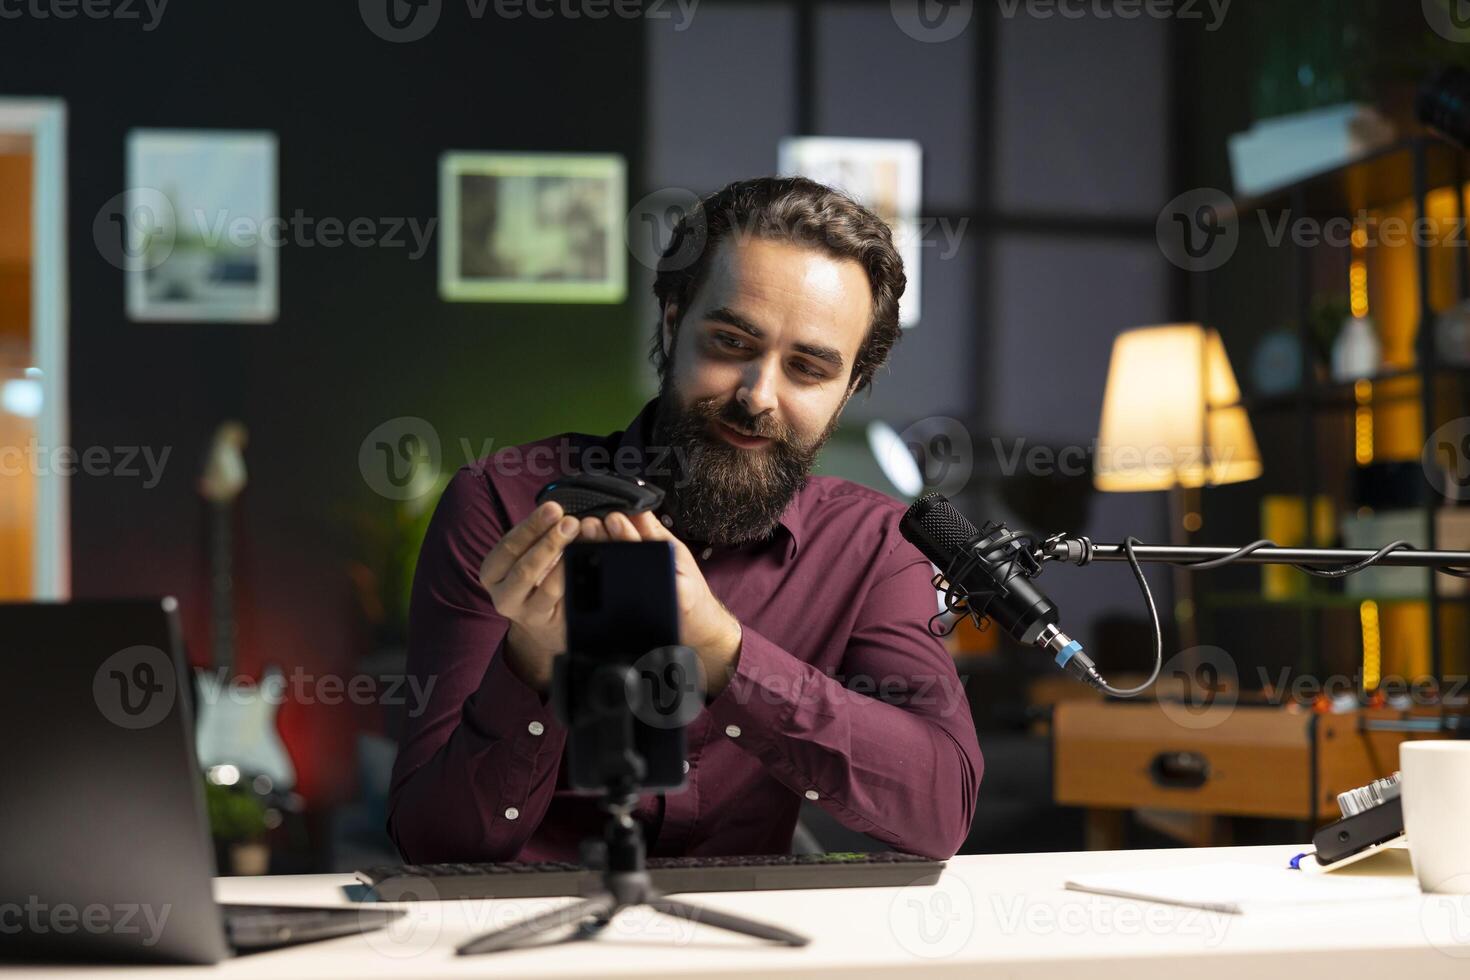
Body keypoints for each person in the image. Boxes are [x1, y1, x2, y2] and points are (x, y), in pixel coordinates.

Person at [388, 176, 982, 862]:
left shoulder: (875, 545)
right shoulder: (501, 504)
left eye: (808, 369)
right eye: (730, 343)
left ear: (849, 390)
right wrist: (531, 662)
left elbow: (940, 812)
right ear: (673, 323)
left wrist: (725, 650)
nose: (759, 397)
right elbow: (431, 842)